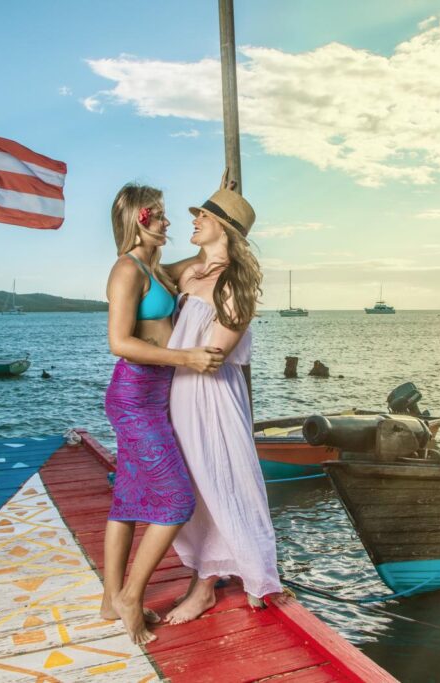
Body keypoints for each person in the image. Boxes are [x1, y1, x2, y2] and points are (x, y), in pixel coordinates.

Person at [100, 183, 225, 644]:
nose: (169, 222)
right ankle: (132, 595)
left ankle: (109, 599)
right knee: (175, 501)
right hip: (134, 397)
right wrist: (187, 357)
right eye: (162, 216)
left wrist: (219, 224)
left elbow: (196, 265)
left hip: (154, 396)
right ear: (140, 219)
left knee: (128, 501)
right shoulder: (126, 271)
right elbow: (120, 342)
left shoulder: (155, 268)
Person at [164, 187, 283, 624]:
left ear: (224, 229)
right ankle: (209, 571)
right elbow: (148, 270)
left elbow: (212, 357)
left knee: (220, 481)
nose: (193, 221)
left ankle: (212, 586)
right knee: (193, 486)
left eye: (203, 217)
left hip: (210, 396)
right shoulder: (191, 273)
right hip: (177, 389)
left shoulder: (235, 284)